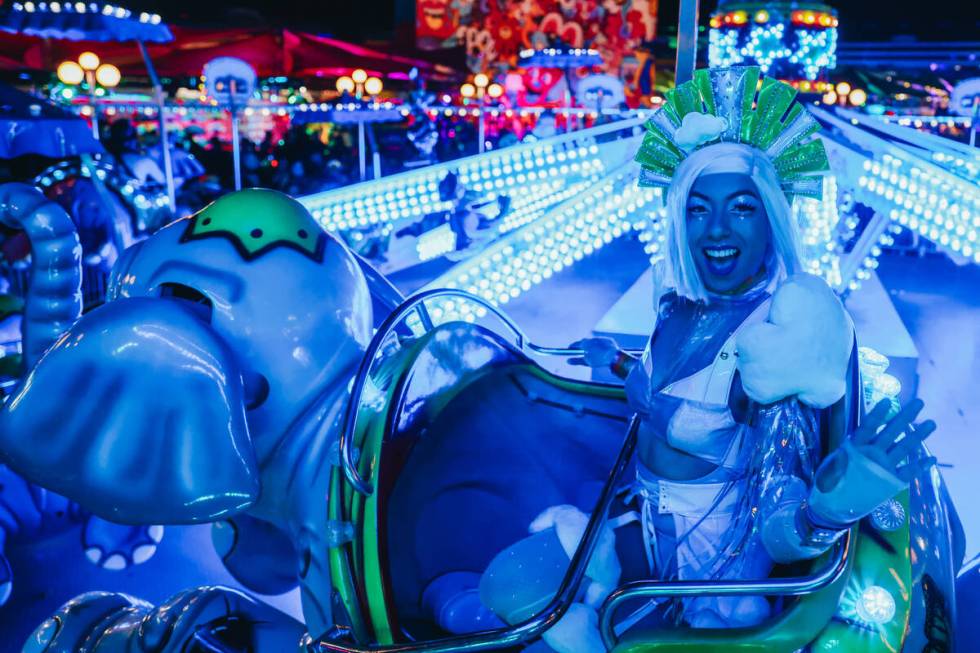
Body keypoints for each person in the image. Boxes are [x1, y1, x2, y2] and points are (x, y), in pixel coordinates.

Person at [468, 66, 938, 652]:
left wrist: (828, 510)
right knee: (508, 588)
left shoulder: (774, 341)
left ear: (772, 218)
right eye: (697, 208)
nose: (715, 229)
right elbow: (656, 394)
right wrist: (613, 363)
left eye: (741, 207)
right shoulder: (677, 306)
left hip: (715, 569)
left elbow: (778, 515)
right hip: (641, 522)